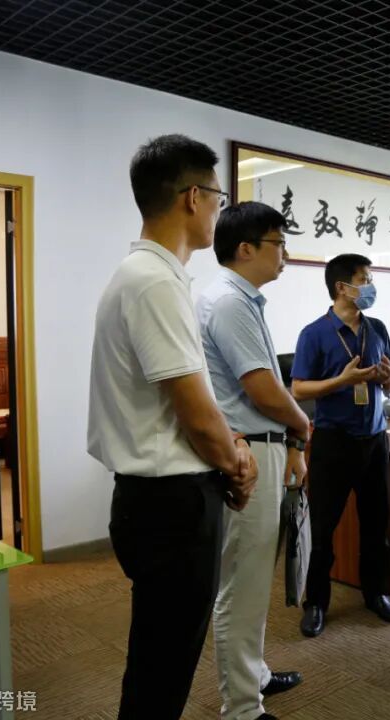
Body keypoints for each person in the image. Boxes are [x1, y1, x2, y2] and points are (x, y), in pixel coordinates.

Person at [87, 133, 257, 720]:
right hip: (171, 506)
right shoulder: (155, 282)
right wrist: (236, 463)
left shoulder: (145, 275)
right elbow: (194, 413)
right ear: (192, 197)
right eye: (218, 197)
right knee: (162, 673)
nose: (218, 210)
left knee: (156, 661)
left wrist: (232, 444)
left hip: (154, 501)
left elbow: (189, 400)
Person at [196, 202, 309, 720]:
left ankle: (254, 674)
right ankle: (242, 708)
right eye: (278, 243)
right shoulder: (229, 302)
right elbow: (263, 389)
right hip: (249, 453)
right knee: (242, 586)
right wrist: (302, 425)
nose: (285, 254)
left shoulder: (240, 298)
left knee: (254, 576)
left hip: (260, 445)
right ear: (245, 249)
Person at [291, 253, 390, 637]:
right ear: (342, 287)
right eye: (365, 279)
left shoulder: (377, 328)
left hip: (374, 440)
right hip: (333, 443)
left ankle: (376, 593)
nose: (371, 286)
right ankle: (316, 603)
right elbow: (299, 388)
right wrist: (341, 381)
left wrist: (389, 378)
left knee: (376, 524)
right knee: (323, 529)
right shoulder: (314, 333)